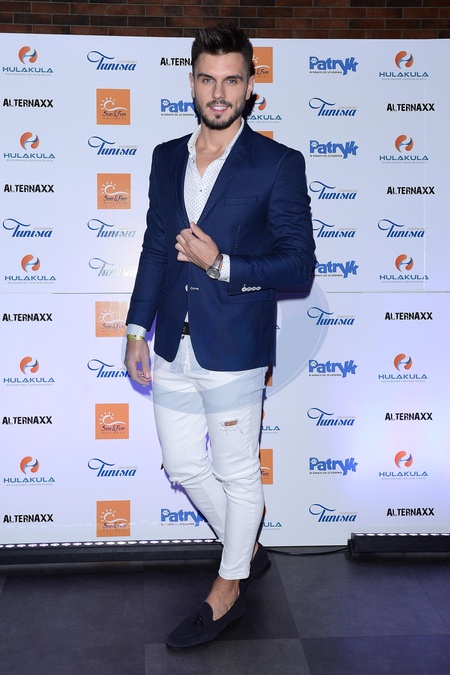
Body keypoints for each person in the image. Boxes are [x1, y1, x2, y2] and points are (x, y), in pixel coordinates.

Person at [124, 23, 315, 649]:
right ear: (192, 82)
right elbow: (156, 247)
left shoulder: (278, 163)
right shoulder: (164, 157)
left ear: (250, 84)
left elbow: (299, 264)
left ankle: (227, 588)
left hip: (234, 345)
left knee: (238, 474)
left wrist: (223, 265)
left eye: (232, 80)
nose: (219, 92)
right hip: (172, 343)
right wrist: (136, 327)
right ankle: (247, 548)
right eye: (208, 79)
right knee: (182, 464)